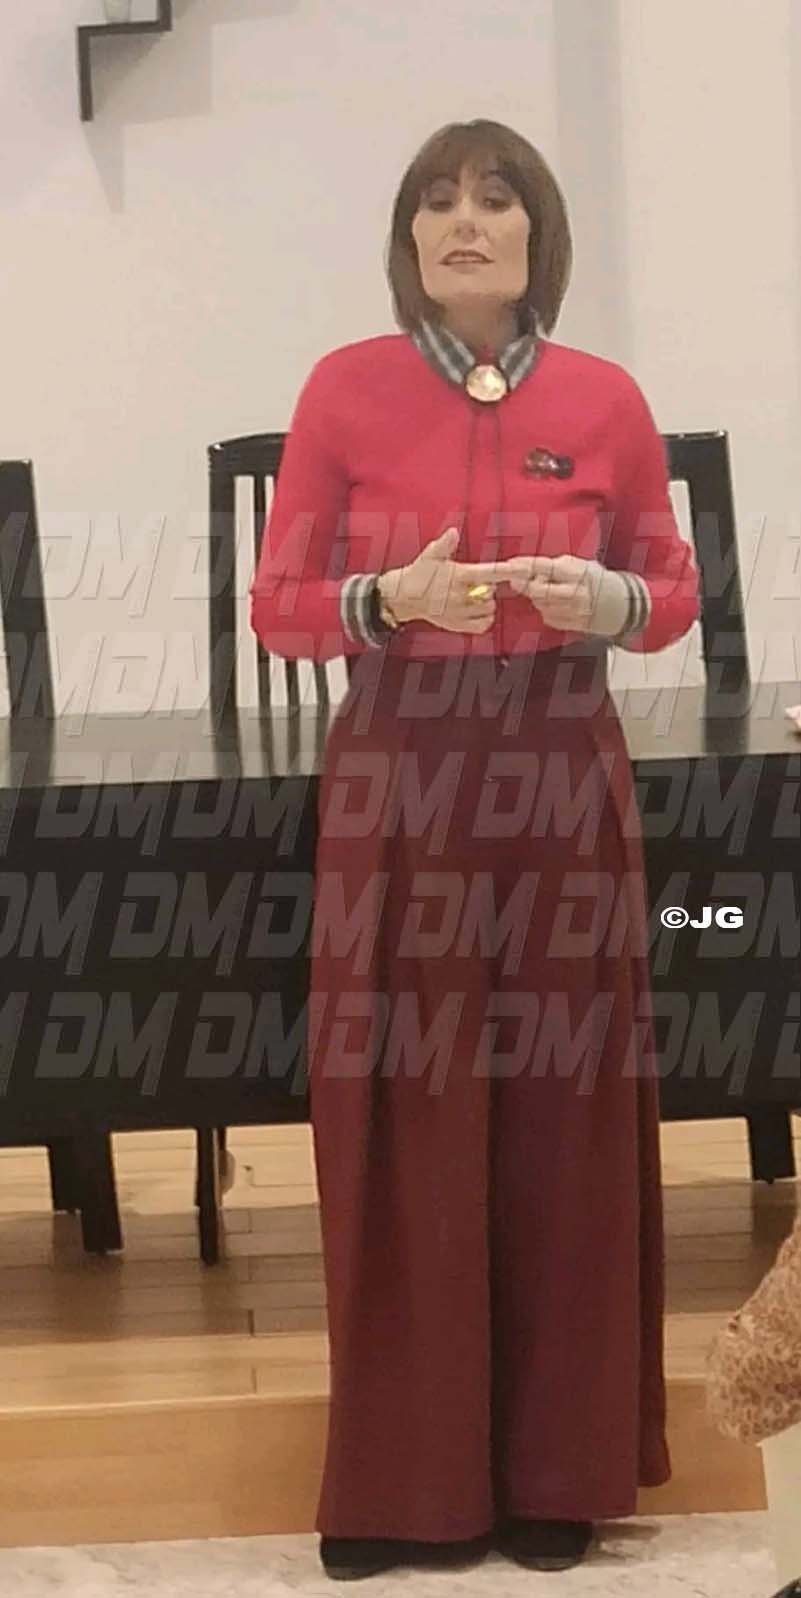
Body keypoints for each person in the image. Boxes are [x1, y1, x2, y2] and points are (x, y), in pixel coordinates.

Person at [249, 118, 700, 1581]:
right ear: (407, 240)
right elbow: (278, 605)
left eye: (495, 200)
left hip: (560, 769)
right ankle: (401, 1483)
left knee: (565, 1111)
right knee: (399, 1107)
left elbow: (672, 590)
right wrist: (386, 601)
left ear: (534, 236)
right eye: (436, 200)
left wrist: (599, 601)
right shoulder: (342, 389)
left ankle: (558, 1471)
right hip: (402, 769)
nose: (464, 220)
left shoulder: (607, 399)